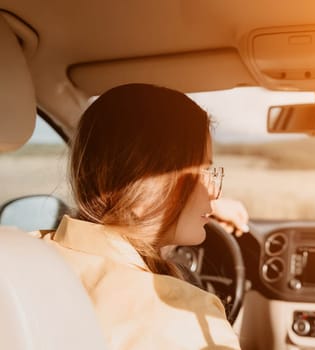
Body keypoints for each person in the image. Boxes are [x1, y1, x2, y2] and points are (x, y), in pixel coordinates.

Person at [40, 83, 243, 349]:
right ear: (144, 187)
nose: (215, 191)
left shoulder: (23, 255)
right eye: (202, 171)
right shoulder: (186, 315)